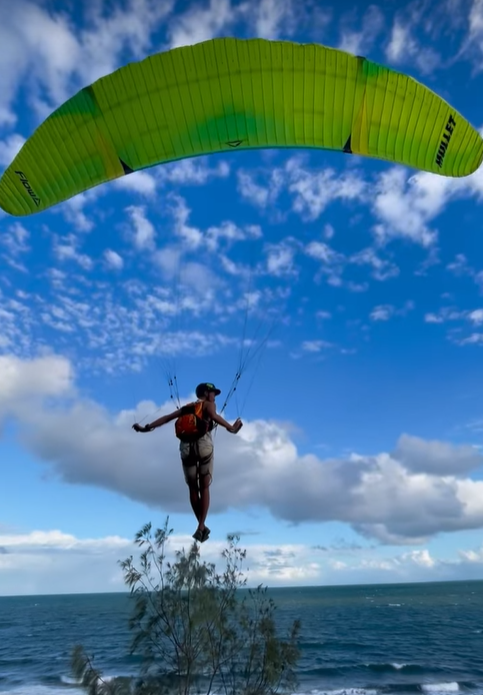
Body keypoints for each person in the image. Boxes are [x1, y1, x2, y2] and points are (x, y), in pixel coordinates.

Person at [132, 383, 243, 543]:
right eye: (213, 393)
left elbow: (167, 418)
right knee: (204, 486)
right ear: (206, 393)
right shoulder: (208, 404)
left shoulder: (188, 408)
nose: (214, 396)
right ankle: (201, 525)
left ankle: (201, 526)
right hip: (203, 445)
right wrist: (230, 428)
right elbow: (213, 415)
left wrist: (146, 428)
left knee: (192, 488)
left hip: (186, 448)